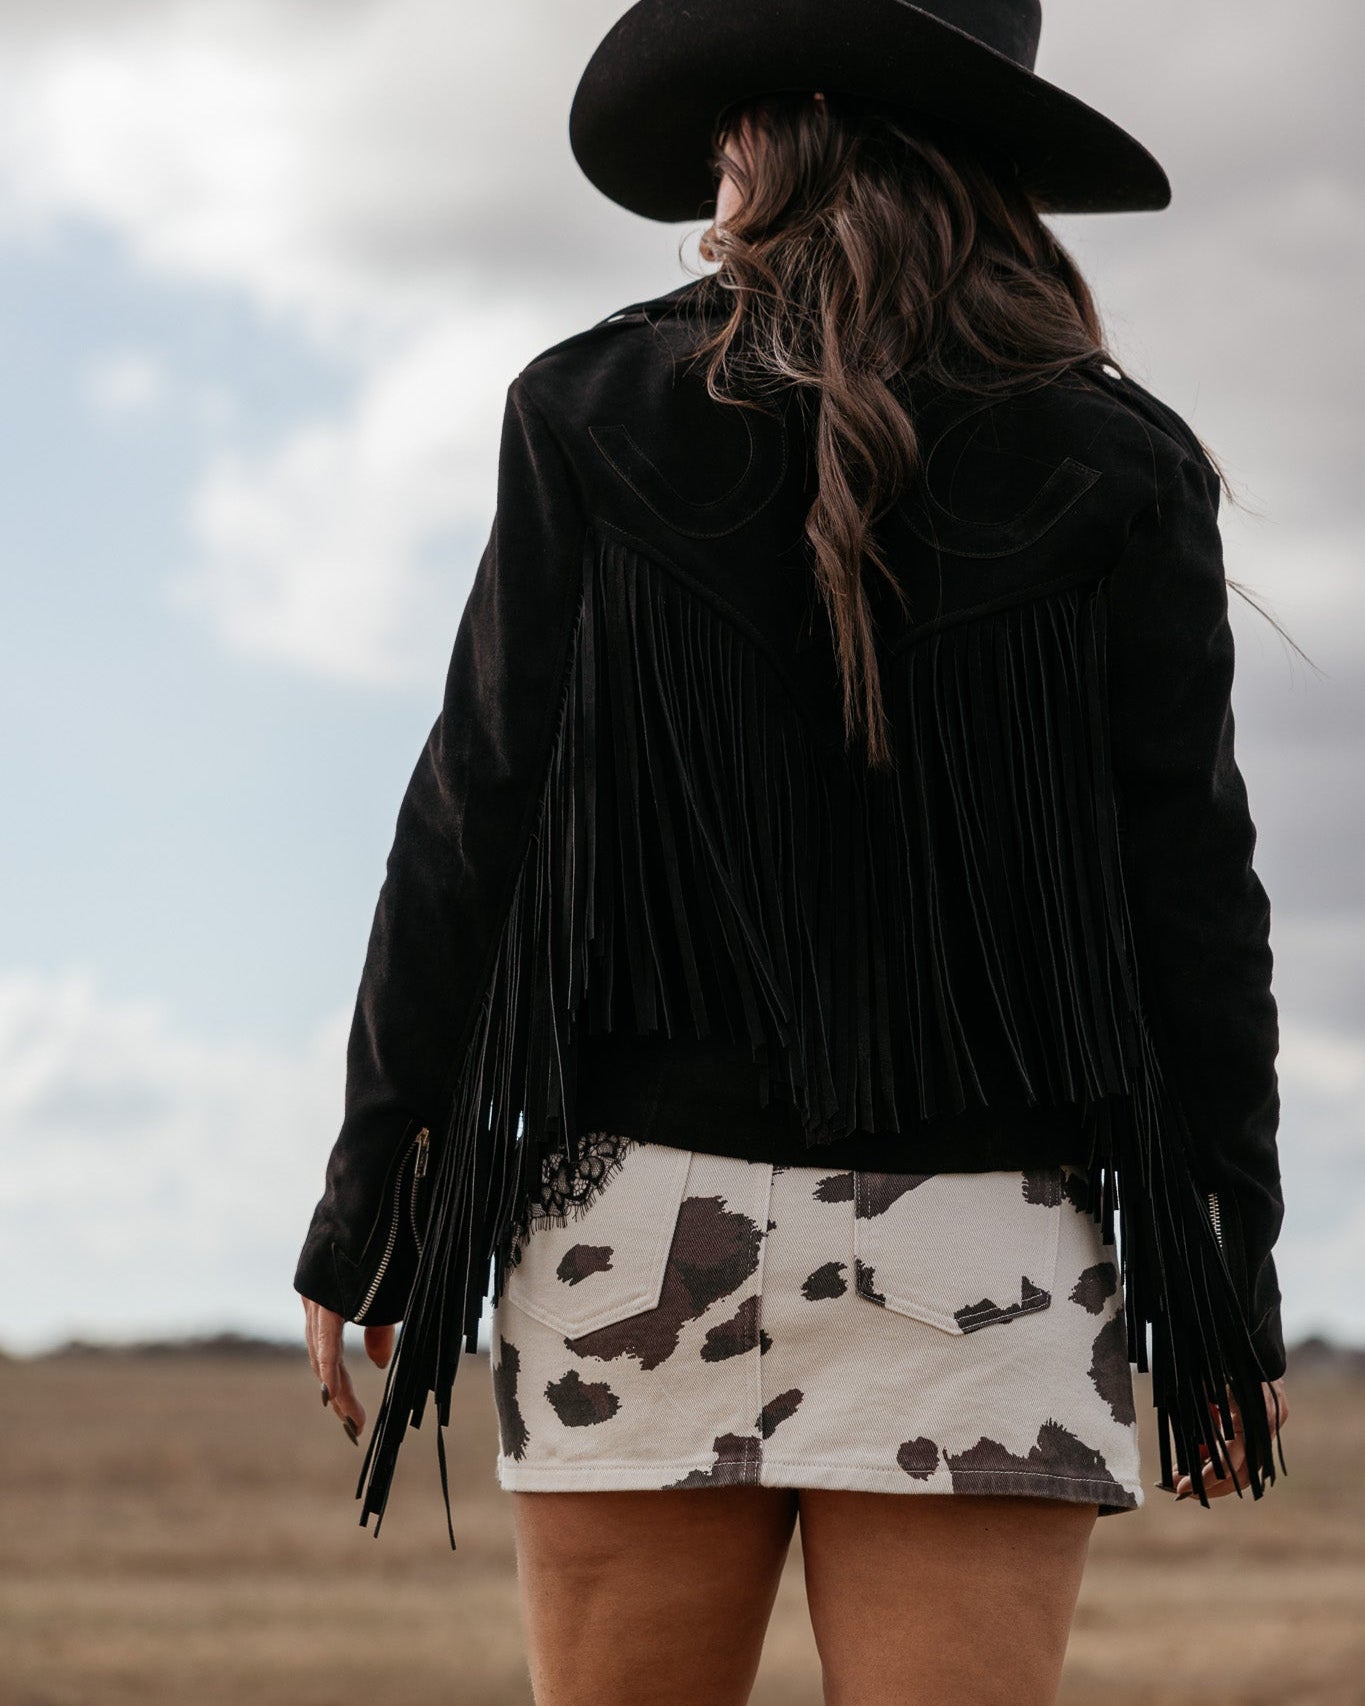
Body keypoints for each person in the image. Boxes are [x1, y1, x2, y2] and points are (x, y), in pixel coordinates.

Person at [296, 2, 1292, 1700]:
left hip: (632, 1218)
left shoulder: (585, 405)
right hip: (990, 1247)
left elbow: (474, 808)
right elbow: (1189, 895)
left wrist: (372, 1185)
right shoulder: (1119, 461)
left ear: (787, 125)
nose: (712, 171)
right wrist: (1227, 1276)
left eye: (723, 126)